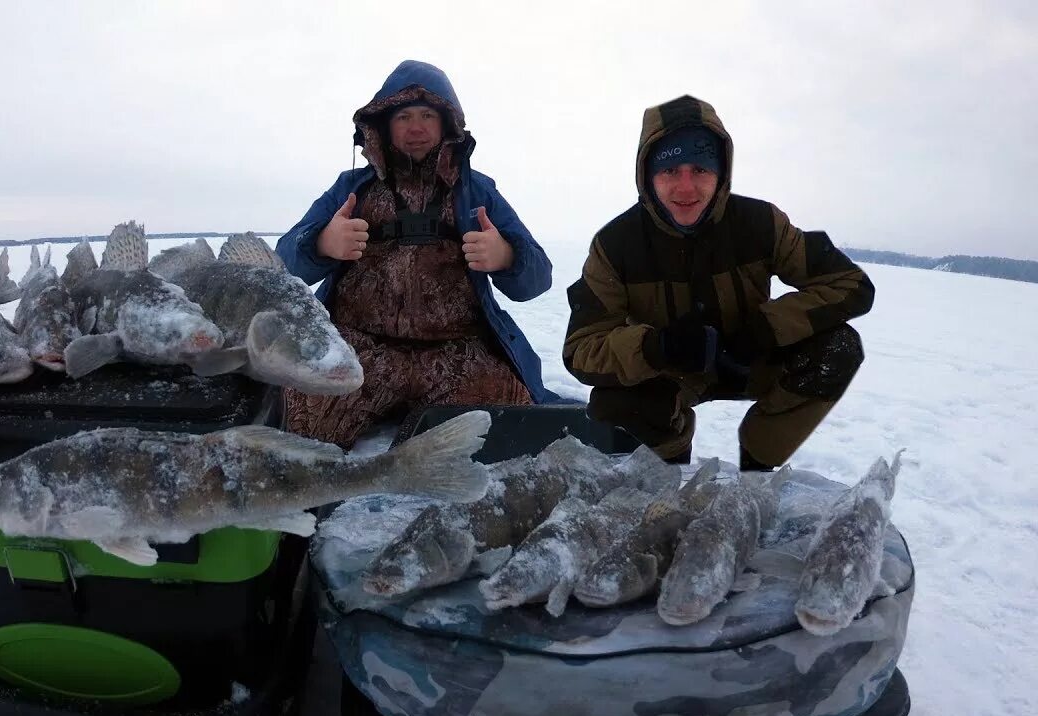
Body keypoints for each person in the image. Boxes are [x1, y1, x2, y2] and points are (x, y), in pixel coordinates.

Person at [563, 95, 874, 471]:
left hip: (750, 360)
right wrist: (655, 347)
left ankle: (757, 467)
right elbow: (581, 349)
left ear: (722, 170)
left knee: (837, 348)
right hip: (668, 374)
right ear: (646, 174)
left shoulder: (762, 223)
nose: (686, 189)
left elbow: (851, 283)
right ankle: (668, 471)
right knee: (615, 401)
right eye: (670, 171)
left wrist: (767, 327)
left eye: (700, 169)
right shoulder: (615, 246)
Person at [276, 60, 558, 448]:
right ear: (383, 125)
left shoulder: (479, 192)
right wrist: (322, 243)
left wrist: (507, 255)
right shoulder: (349, 188)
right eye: (404, 116)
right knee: (294, 436)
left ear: (447, 125)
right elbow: (284, 265)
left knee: (515, 438)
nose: (416, 127)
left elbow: (539, 278)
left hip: (458, 355)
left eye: (427, 115)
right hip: (359, 351)